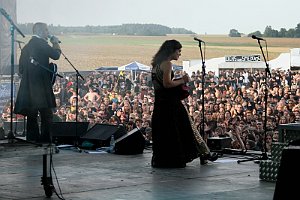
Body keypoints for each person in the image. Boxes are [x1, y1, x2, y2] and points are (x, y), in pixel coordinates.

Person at [151, 39, 218, 168]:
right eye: (179, 51)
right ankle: (203, 153)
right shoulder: (167, 64)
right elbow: (167, 84)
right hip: (170, 104)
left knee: (166, 132)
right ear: (171, 50)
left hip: (160, 104)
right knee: (186, 128)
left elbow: (161, 85)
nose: (180, 54)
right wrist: (183, 80)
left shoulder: (156, 64)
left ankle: (203, 153)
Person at [14, 22, 61, 143]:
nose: (48, 33)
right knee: (46, 115)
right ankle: (46, 142)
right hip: (41, 87)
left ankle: (33, 141)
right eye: (46, 30)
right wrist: (55, 42)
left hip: (28, 88)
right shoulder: (42, 44)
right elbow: (56, 55)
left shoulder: (26, 47)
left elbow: (21, 70)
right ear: (40, 32)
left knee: (31, 116)